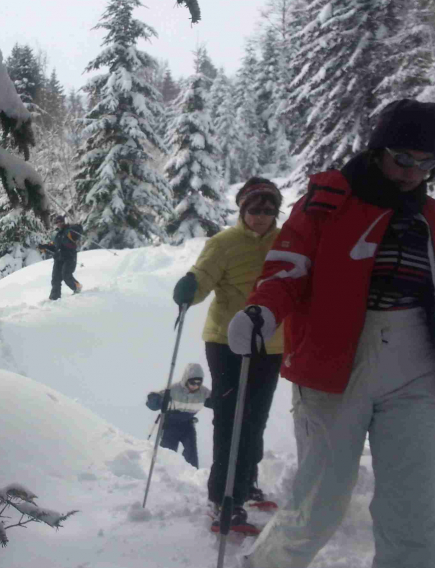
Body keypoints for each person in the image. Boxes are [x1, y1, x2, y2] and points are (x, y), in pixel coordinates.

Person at [226, 99, 435, 568]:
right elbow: (287, 270)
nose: (412, 172)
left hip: (417, 367)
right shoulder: (330, 199)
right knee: (320, 502)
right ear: (377, 150)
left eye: (425, 162)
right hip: (336, 363)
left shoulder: (431, 215)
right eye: (402, 159)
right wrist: (262, 313)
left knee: (411, 511)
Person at [171, 177, 286, 533]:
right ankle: (223, 500)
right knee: (232, 420)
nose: (262, 216)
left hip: (270, 343)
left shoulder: (287, 243)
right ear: (242, 210)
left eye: (269, 209)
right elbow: (203, 278)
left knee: (255, 417)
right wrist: (190, 287)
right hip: (226, 343)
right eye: (255, 209)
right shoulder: (223, 243)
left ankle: (246, 483)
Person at [145, 363, 211, 467]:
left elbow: (215, 401)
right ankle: (163, 473)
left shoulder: (204, 392)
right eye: (192, 382)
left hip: (188, 424)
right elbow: (153, 404)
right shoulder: (174, 389)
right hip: (171, 424)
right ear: (186, 379)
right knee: (168, 454)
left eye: (199, 383)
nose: (195, 386)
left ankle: (192, 476)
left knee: (191, 453)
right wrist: (156, 400)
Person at [38, 214, 84, 300]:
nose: (59, 224)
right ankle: (54, 297)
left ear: (64, 222)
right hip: (59, 258)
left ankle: (77, 287)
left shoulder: (69, 231)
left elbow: (77, 233)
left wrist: (78, 226)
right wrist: (44, 247)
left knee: (66, 275)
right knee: (55, 278)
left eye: (61, 222)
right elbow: (53, 247)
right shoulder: (56, 235)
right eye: (57, 222)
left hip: (69, 257)